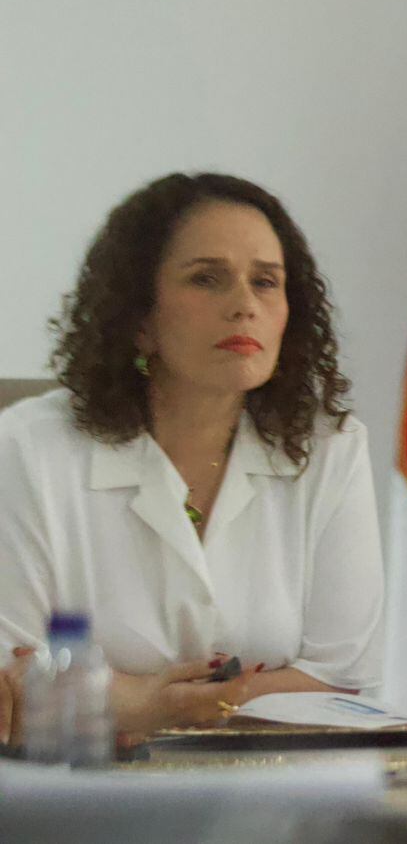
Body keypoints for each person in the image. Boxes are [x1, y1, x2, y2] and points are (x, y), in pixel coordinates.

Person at [0, 173, 384, 744]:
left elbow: (346, 682)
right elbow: (9, 680)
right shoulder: (29, 447)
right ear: (139, 318)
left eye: (266, 283)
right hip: (80, 795)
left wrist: (143, 703)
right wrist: (152, 704)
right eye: (207, 279)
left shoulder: (332, 446)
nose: (244, 306)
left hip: (283, 798)